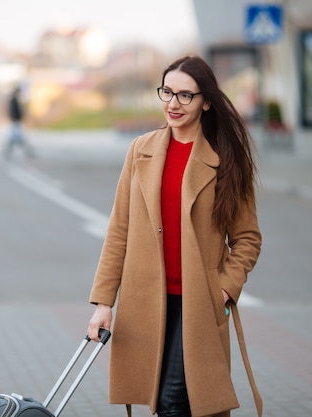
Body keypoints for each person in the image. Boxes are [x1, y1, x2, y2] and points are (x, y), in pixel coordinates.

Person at [87, 56, 263, 417]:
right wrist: (104, 303)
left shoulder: (225, 159)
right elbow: (119, 229)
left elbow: (247, 238)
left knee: (173, 400)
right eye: (167, 92)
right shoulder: (141, 150)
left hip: (198, 302)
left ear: (206, 101)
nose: (173, 103)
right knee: (167, 401)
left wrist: (224, 289)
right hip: (146, 301)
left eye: (186, 95)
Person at [3, 85, 33, 158]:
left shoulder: (15, 100)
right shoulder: (14, 100)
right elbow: (15, 112)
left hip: (16, 121)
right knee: (17, 137)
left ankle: (10, 150)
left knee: (16, 137)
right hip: (16, 121)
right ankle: (26, 151)